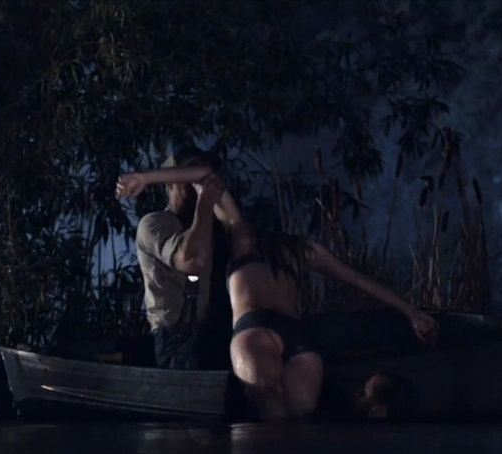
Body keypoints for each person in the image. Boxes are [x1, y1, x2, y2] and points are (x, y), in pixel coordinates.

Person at [118, 159, 439, 420]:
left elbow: (206, 175)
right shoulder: (301, 249)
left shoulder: (241, 238)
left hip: (255, 331)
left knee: (271, 424)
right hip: (299, 340)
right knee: (299, 426)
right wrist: (412, 312)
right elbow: (357, 279)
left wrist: (144, 177)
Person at [130, 149, 224, 369]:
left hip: (209, 332)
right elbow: (190, 260)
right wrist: (205, 202)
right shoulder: (154, 223)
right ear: (171, 182)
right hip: (175, 336)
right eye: (190, 177)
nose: (197, 185)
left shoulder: (209, 225)